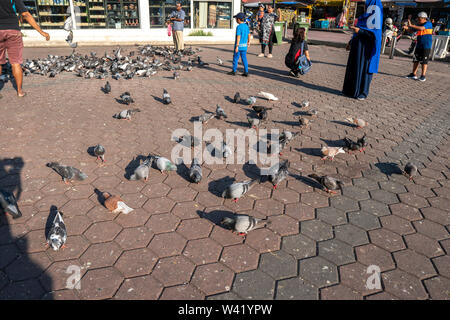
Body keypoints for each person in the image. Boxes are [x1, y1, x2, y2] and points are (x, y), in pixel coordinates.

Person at [0, 0, 49, 97]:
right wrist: (41, 32)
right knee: (16, 63)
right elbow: (26, 14)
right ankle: (19, 91)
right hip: (13, 31)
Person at [342, 0, 382, 101]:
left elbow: (373, 36)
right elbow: (359, 31)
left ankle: (362, 92)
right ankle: (351, 90)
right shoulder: (364, 17)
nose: (364, 7)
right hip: (357, 46)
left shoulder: (375, 18)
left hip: (367, 48)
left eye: (366, 5)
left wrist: (360, 31)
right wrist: (351, 42)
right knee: (354, 67)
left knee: (365, 69)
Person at [404, 12, 433, 82]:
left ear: (424, 18)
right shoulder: (418, 25)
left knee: (424, 61)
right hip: (419, 45)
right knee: (416, 60)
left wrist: (411, 25)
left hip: (426, 45)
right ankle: (413, 74)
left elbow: (421, 28)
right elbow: (412, 31)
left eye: (420, 19)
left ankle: (423, 76)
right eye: (418, 19)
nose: (418, 21)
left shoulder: (428, 23)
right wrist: (407, 28)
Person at [228, 12, 250, 77]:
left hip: (239, 46)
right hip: (244, 46)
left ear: (238, 19)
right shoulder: (246, 26)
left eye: (236, 19)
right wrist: (249, 42)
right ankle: (246, 72)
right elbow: (249, 34)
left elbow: (238, 36)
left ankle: (234, 71)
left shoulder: (239, 27)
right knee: (244, 59)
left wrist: (237, 46)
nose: (235, 20)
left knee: (235, 58)